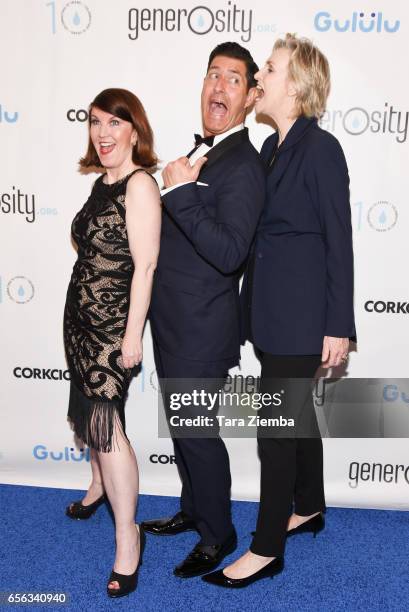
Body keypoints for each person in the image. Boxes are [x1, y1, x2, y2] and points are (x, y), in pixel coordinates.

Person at [203, 34, 356, 588]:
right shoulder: (270, 150)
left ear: (296, 85)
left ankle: (266, 547)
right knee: (296, 419)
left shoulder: (321, 150)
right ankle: (309, 504)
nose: (259, 76)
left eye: (269, 68)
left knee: (276, 428)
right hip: (268, 312)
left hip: (302, 317)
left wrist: (339, 325)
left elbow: (339, 240)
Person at [142, 42, 266, 577]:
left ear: (250, 96)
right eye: (212, 75)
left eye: (233, 79)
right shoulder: (204, 153)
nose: (218, 86)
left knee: (198, 432)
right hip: (173, 323)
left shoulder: (243, 165)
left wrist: (182, 193)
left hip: (203, 327)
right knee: (182, 426)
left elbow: (228, 251)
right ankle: (194, 510)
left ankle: (219, 533)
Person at [63, 88, 161, 598]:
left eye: (113, 124)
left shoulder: (139, 185)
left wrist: (130, 338)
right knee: (89, 414)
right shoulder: (104, 182)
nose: (102, 134)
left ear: (134, 131)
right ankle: (99, 486)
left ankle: (129, 536)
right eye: (95, 123)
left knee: (105, 426)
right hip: (79, 324)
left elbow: (144, 266)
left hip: (110, 331)